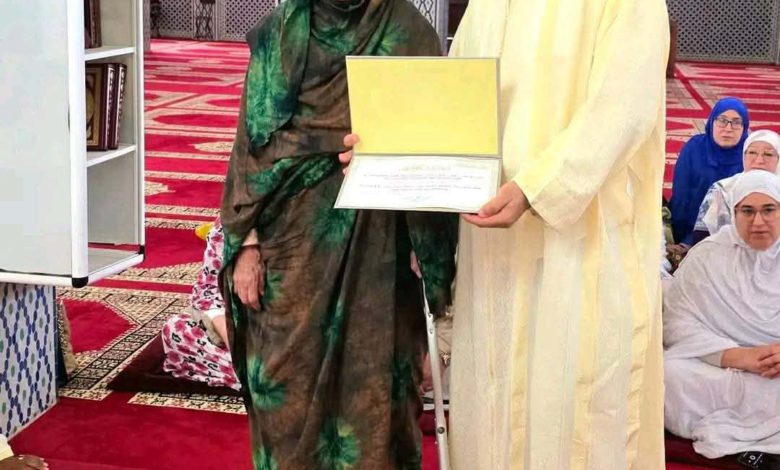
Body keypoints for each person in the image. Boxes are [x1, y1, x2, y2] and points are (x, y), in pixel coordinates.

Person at [342, 0, 670, 467]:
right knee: (493, 417)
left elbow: (623, 110)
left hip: (581, 247)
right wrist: (388, 153)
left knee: (573, 416)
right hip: (494, 251)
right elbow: (455, 102)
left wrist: (536, 189)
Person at [220, 1, 458, 469]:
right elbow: (250, 145)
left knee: (373, 397)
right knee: (284, 394)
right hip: (289, 253)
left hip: (381, 250)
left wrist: (427, 243)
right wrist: (245, 245)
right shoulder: (280, 34)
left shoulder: (408, 32)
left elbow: (435, 142)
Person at [663, 170, 780, 466]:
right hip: (721, 365)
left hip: (776, 373)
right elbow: (676, 323)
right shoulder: (709, 255)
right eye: (747, 211)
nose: (758, 221)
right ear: (733, 213)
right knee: (667, 374)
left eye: (769, 210)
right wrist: (738, 357)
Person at [161, 218, 239, 390]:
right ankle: (255, 375)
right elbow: (208, 294)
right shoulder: (225, 227)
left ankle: (264, 378)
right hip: (241, 326)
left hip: (289, 330)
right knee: (177, 329)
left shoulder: (297, 230)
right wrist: (235, 345)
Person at [669, 97, 750, 246]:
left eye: (736, 122)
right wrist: (683, 239)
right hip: (686, 227)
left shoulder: (750, 155)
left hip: (733, 238)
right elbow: (681, 196)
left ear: (744, 127)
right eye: (722, 120)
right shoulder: (694, 148)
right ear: (712, 122)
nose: (728, 128)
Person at [691, 130, 780, 241]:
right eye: (752, 153)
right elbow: (701, 238)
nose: (759, 160)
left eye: (768, 154)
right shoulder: (723, 190)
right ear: (743, 156)